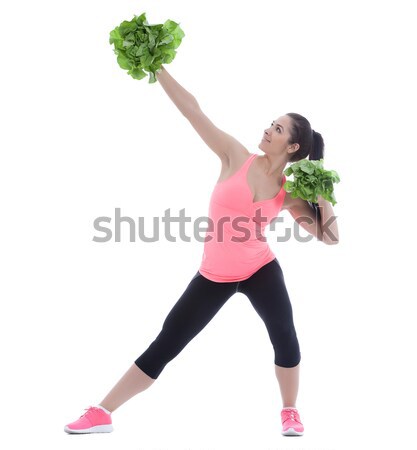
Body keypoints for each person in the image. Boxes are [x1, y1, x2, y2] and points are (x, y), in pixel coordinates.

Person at [64, 65, 340, 437]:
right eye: (270, 124)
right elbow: (193, 110)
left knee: (284, 334)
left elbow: (329, 236)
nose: (267, 130)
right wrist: (156, 67)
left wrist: (322, 190)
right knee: (168, 341)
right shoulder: (234, 156)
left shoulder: (288, 192)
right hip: (215, 275)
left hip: (260, 269)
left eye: (277, 129)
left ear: (292, 147)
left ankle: (290, 411)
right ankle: (102, 411)